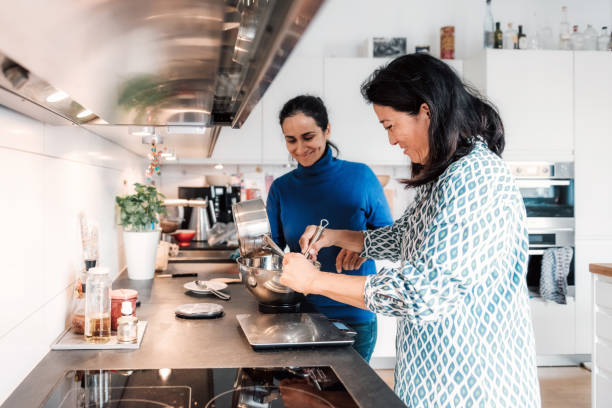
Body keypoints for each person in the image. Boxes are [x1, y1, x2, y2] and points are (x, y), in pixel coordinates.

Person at [280, 54, 541, 407]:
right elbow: (406, 237)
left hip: (472, 385)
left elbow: (422, 293)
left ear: (425, 112)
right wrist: (336, 236)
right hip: (434, 378)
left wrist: (313, 281)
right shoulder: (447, 174)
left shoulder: (476, 178)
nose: (390, 140)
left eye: (390, 125)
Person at [266, 95, 393, 362]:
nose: (300, 148)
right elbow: (273, 249)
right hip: (302, 312)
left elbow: (389, 236)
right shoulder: (281, 189)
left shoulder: (361, 176)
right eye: (291, 140)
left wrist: (366, 248)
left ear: (327, 130)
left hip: (354, 313)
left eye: (308, 136)